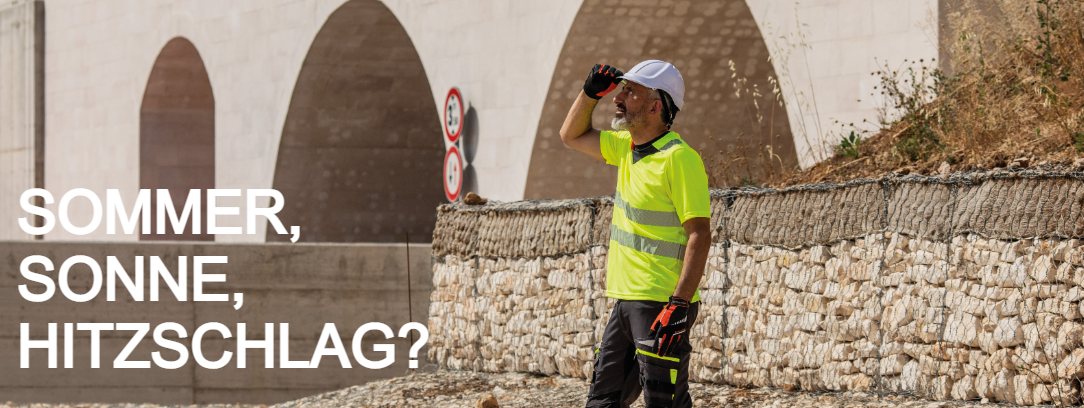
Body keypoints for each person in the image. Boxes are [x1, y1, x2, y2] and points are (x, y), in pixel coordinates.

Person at [559, 60, 711, 408]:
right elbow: (571, 135)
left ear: (656, 106)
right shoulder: (626, 148)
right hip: (627, 302)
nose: (619, 97)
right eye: (621, 89)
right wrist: (588, 94)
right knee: (602, 402)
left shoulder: (679, 158)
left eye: (631, 92)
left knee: (666, 403)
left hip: (661, 304)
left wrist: (679, 304)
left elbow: (700, 235)